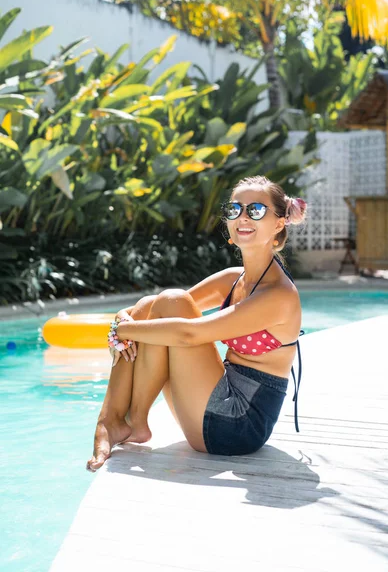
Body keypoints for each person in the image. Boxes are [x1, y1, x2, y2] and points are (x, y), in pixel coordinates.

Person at [86, 175, 306, 472]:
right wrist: (125, 318)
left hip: (238, 426)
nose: (242, 217)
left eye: (255, 210)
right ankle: (114, 422)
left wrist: (120, 330)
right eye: (234, 210)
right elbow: (155, 310)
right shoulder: (233, 279)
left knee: (168, 307)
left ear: (279, 223)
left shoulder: (279, 295)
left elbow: (190, 333)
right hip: (215, 400)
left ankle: (128, 420)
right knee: (152, 306)